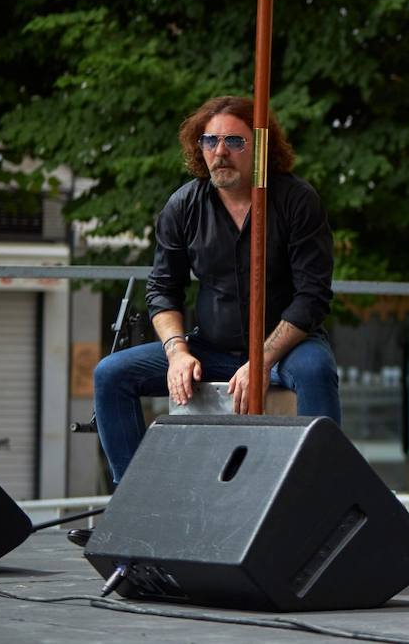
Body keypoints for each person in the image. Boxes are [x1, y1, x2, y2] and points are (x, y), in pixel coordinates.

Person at [92, 96, 341, 486]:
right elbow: (162, 290)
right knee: (110, 374)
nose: (220, 152)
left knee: (317, 370)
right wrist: (177, 353)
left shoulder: (296, 200)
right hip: (211, 348)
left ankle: (321, 499)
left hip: (287, 349)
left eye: (234, 142)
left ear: (261, 148)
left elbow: (312, 297)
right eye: (210, 141)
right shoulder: (183, 205)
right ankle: (132, 501)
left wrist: (261, 361)